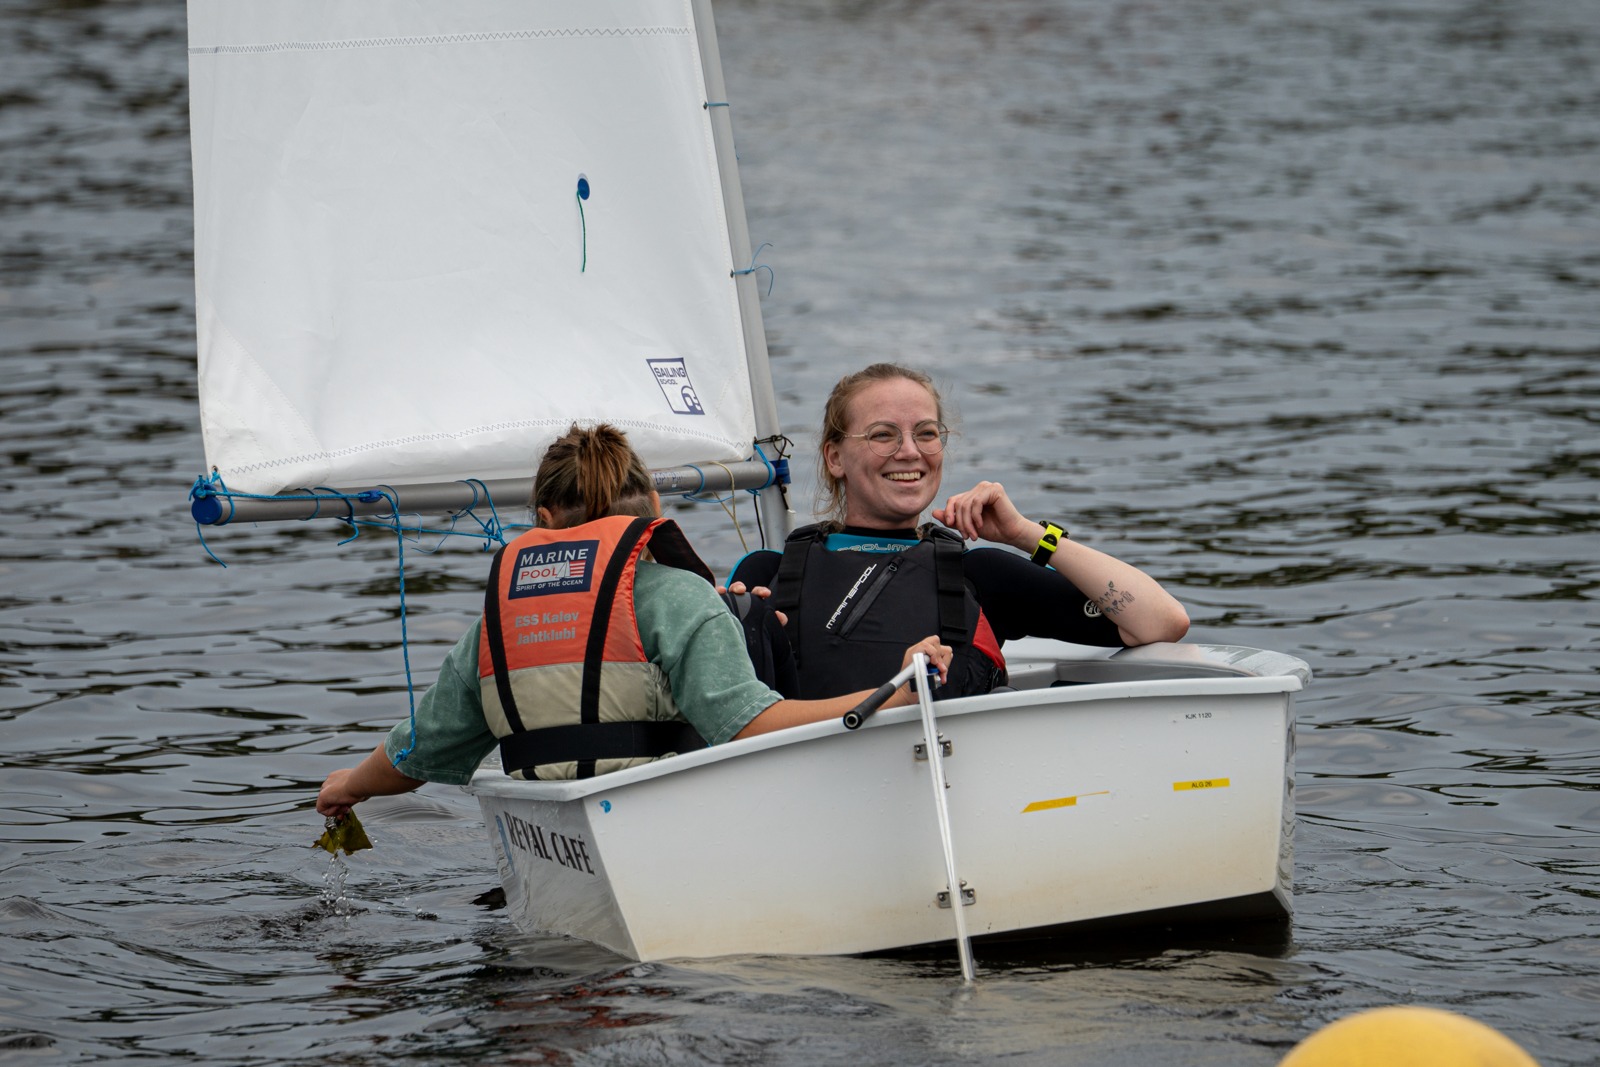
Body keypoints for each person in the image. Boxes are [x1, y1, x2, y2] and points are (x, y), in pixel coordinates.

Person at [317, 423, 951, 819]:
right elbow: (747, 726)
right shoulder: (679, 598)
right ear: (651, 507)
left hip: (561, 837)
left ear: (542, 519)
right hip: (666, 828)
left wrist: (351, 784)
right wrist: (885, 699)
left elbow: (414, 753)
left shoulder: (495, 626)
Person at [728, 363, 1190, 700]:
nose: (909, 452)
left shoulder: (979, 575)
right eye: (883, 435)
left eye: (926, 434)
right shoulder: (769, 574)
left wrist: (1028, 535)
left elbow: (1162, 622)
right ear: (834, 458)